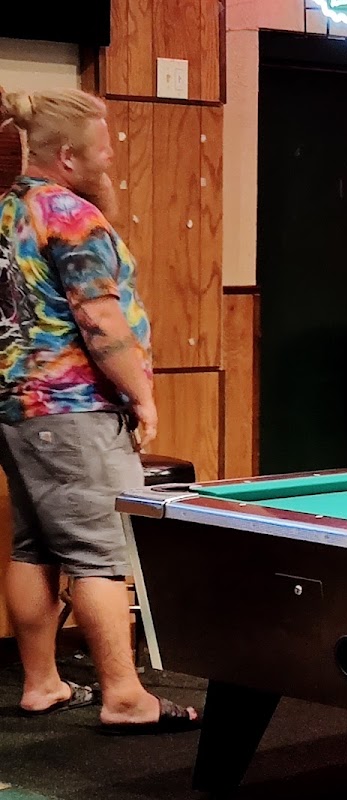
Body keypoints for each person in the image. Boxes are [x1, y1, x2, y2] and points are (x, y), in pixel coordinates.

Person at [0, 87, 199, 731]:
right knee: (102, 552)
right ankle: (124, 696)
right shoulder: (69, 215)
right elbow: (99, 319)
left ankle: (43, 684)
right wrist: (142, 395)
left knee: (35, 545)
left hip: (19, 410)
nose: (111, 157)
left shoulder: (9, 209)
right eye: (104, 148)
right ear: (67, 156)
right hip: (75, 409)